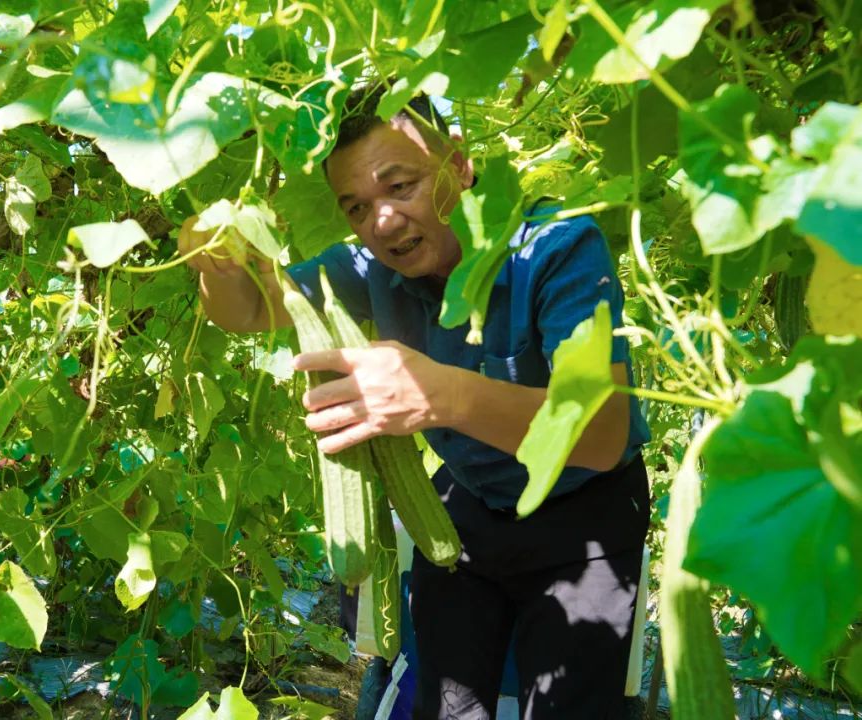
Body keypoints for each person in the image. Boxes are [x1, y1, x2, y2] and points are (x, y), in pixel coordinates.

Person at [178, 86, 651, 720]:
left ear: (458, 165)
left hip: (585, 509)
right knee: (446, 709)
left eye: (400, 187)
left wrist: (439, 394)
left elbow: (600, 431)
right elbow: (252, 310)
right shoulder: (365, 267)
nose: (382, 222)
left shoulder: (557, 245)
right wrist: (215, 260)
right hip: (470, 506)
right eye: (356, 207)